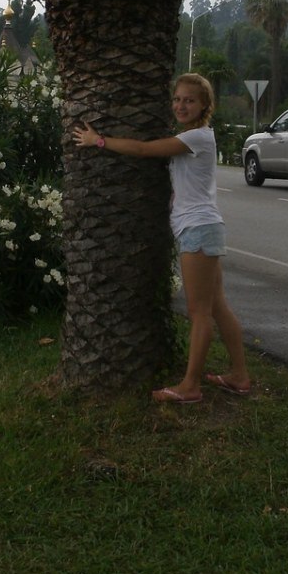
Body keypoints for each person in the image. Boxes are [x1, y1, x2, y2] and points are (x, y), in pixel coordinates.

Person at [72, 73, 251, 404]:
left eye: (189, 100)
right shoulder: (195, 137)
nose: (181, 105)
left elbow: (142, 149)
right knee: (216, 306)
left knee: (200, 312)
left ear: (204, 106)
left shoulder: (196, 137)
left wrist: (99, 141)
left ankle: (190, 386)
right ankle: (239, 376)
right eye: (177, 99)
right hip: (204, 225)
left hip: (197, 229)